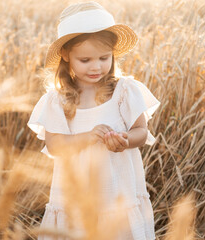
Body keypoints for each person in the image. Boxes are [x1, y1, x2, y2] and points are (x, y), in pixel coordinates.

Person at [28, 2, 160, 239]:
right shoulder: (57, 101)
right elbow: (54, 145)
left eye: (103, 57)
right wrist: (87, 138)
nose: (96, 67)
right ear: (66, 55)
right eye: (85, 60)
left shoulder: (124, 91)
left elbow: (141, 130)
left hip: (118, 190)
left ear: (113, 54)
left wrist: (125, 139)